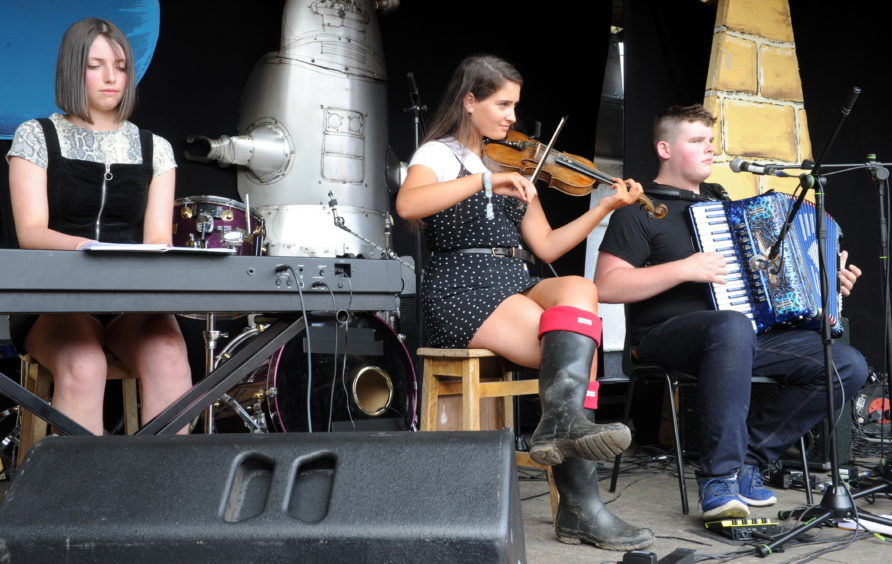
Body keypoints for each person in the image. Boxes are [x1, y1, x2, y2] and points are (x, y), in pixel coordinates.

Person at [396, 54, 653, 550]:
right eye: (503, 104)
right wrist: (485, 179)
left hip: (513, 279)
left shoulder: (514, 161)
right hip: (462, 287)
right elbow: (408, 205)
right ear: (470, 102)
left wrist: (604, 207)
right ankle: (581, 505)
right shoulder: (439, 154)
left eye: (516, 104)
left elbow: (550, 247)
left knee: (582, 291)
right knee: (576, 349)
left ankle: (560, 425)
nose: (512, 116)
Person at [595, 104, 869, 520]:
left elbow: (774, 282)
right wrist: (683, 269)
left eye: (711, 141)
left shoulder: (729, 210)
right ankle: (718, 479)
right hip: (662, 338)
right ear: (665, 148)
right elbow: (607, 286)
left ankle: (750, 460)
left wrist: (828, 283)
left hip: (737, 337)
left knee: (845, 363)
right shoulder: (637, 210)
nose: (709, 149)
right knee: (732, 325)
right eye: (697, 141)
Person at [6, 17, 193, 436]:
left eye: (122, 66)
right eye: (96, 65)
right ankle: (80, 499)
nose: (112, 77)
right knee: (84, 363)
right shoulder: (36, 136)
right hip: (56, 300)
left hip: (134, 302)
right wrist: (91, 247)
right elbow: (31, 233)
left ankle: (170, 493)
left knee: (168, 354)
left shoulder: (155, 148)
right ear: (74, 69)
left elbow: (158, 241)